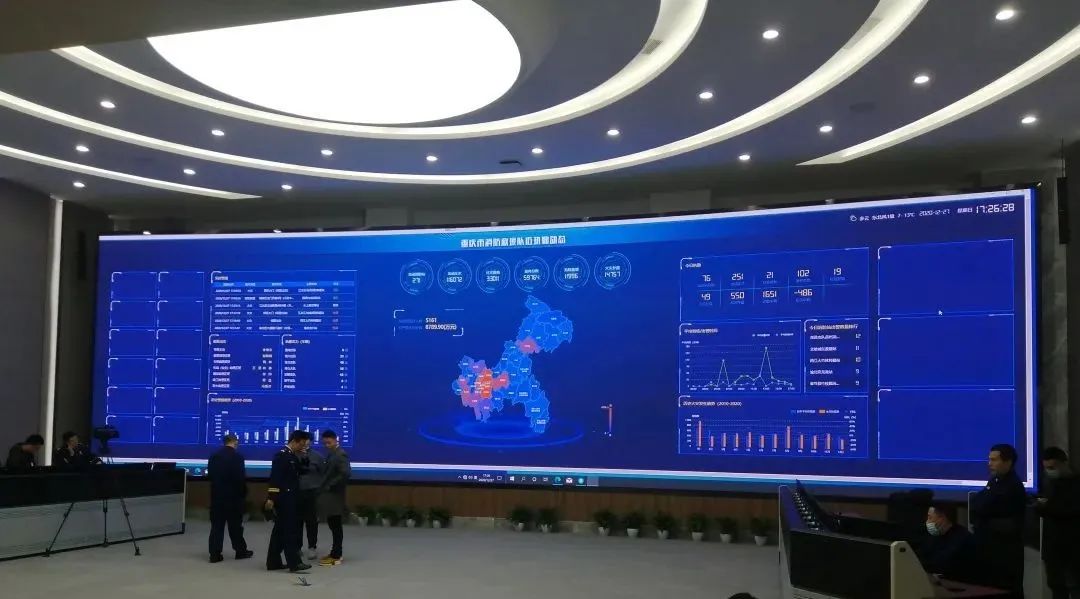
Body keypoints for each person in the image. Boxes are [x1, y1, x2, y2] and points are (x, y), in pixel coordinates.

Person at [971, 443, 1028, 598]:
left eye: (994, 460)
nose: (990, 464)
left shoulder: (1012, 486)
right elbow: (976, 503)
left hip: (1004, 551)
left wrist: (983, 515)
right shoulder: (995, 481)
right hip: (989, 547)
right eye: (989, 459)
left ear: (1008, 462)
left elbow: (984, 507)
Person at [1035, 447, 1080, 599]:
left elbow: (1069, 510)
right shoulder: (1048, 482)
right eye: (1046, 468)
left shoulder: (1076, 484)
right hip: (1052, 548)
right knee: (1056, 587)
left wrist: (1047, 507)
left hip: (1072, 547)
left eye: (1052, 467)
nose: (1049, 471)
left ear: (1064, 463)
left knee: (1074, 585)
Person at [265, 430, 311, 572]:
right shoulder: (282, 456)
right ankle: (294, 563)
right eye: (301, 444)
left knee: (279, 532)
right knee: (290, 531)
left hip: (291, 498)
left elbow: (302, 471)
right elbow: (275, 478)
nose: (302, 447)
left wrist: (304, 456)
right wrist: (271, 498)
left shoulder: (292, 456)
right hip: (284, 499)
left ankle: (273, 562)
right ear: (294, 441)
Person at [207, 434, 253, 563]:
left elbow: (210, 476)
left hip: (217, 497)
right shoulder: (238, 457)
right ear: (235, 442)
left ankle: (215, 554)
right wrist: (243, 494)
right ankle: (240, 551)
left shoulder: (214, 456)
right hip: (234, 498)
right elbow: (240, 479)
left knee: (216, 526)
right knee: (236, 527)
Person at [920, 502, 978, 583]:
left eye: (930, 518)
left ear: (942, 518)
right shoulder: (933, 536)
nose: (927, 521)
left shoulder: (963, 538)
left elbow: (944, 564)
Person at [317, 429, 351, 566]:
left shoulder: (340, 454)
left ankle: (337, 555)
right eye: (325, 443)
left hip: (335, 496)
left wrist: (330, 485)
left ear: (336, 440)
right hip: (330, 496)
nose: (327, 445)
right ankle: (334, 552)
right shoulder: (332, 454)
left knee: (336, 526)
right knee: (333, 525)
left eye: (329, 442)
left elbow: (345, 473)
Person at [296, 434, 325, 561]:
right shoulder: (293, 455)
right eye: (303, 440)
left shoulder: (317, 456)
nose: (305, 442)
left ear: (311, 442)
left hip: (312, 493)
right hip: (296, 492)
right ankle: (297, 547)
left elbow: (323, 474)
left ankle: (312, 547)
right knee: (297, 521)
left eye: (307, 440)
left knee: (311, 521)